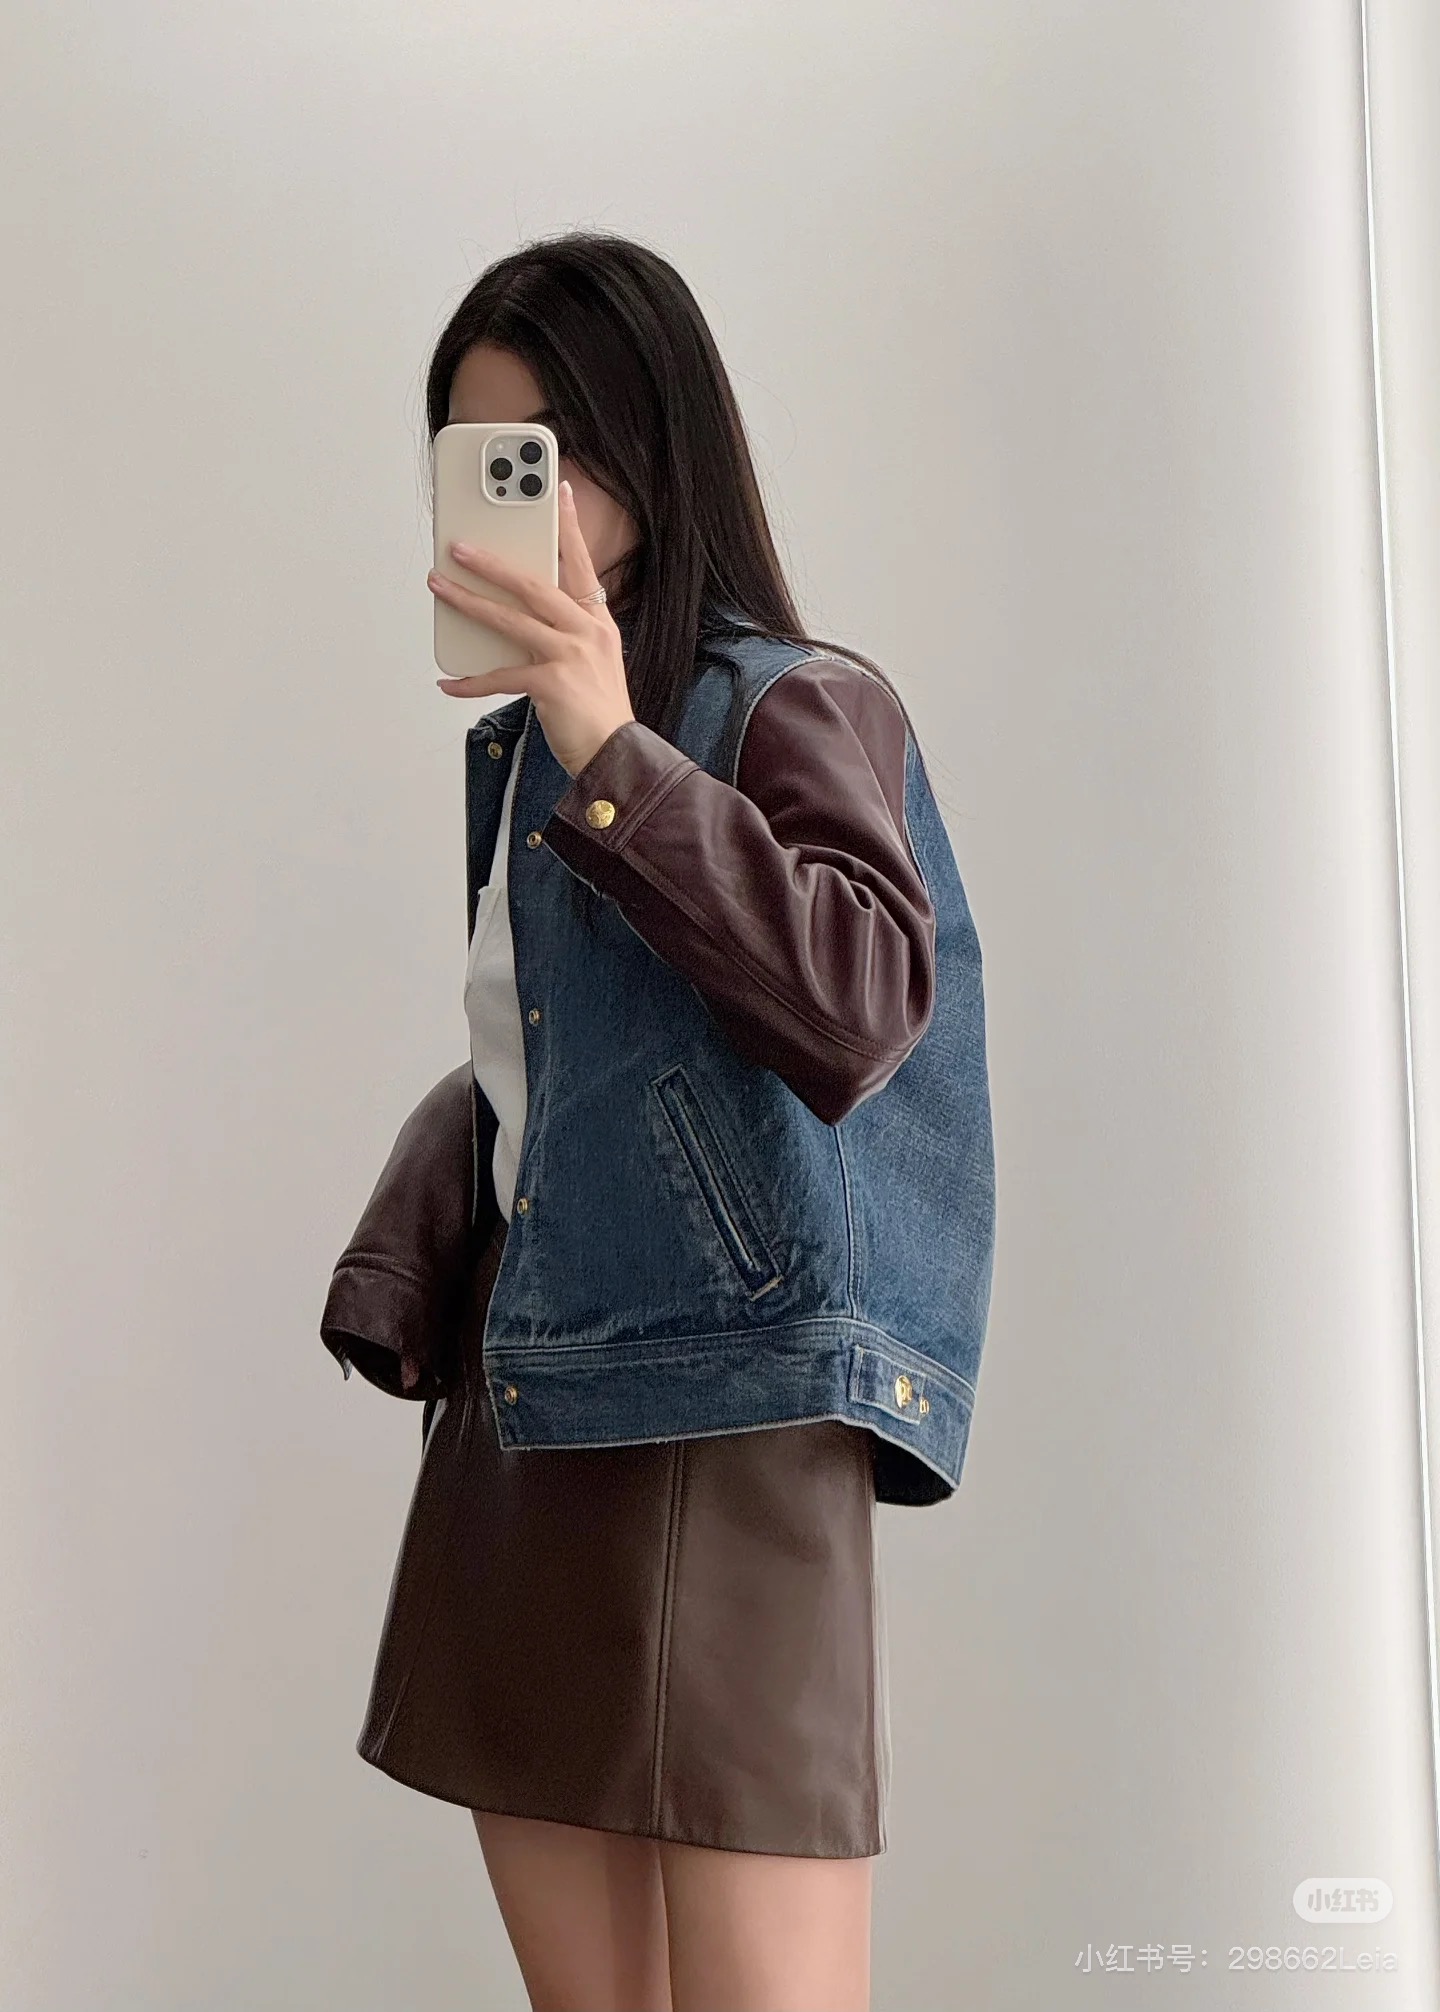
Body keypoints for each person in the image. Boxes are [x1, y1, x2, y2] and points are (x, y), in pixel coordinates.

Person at [321, 229, 996, 2012]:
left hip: (728, 1411)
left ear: (648, 442)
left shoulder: (793, 701)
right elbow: (554, 1070)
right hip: (534, 1402)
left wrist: (615, 749)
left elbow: (857, 1004)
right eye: (476, 458)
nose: (514, 502)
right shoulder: (517, 756)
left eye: (546, 451)